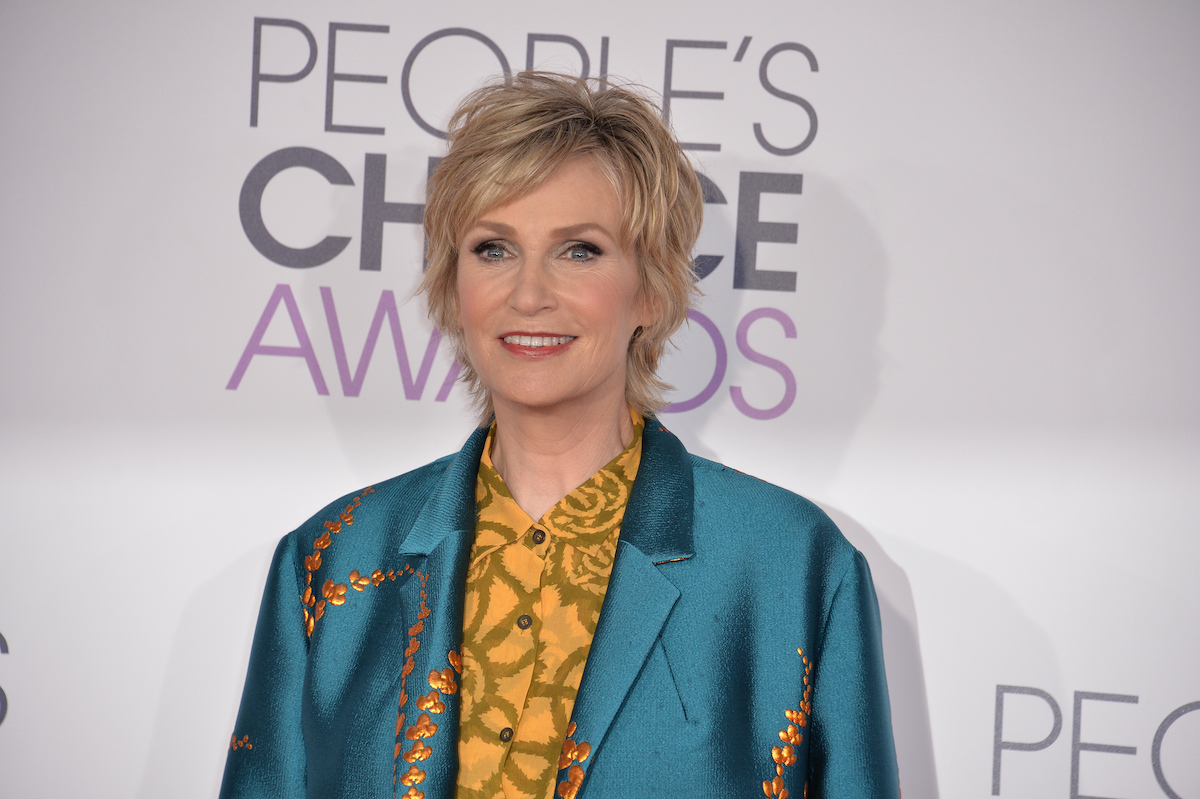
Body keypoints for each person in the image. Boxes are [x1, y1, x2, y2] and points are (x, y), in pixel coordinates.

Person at [219, 72, 899, 799]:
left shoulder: (789, 565)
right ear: (451, 287)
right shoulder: (331, 559)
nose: (529, 294)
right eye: (492, 249)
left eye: (579, 250)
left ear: (652, 287)